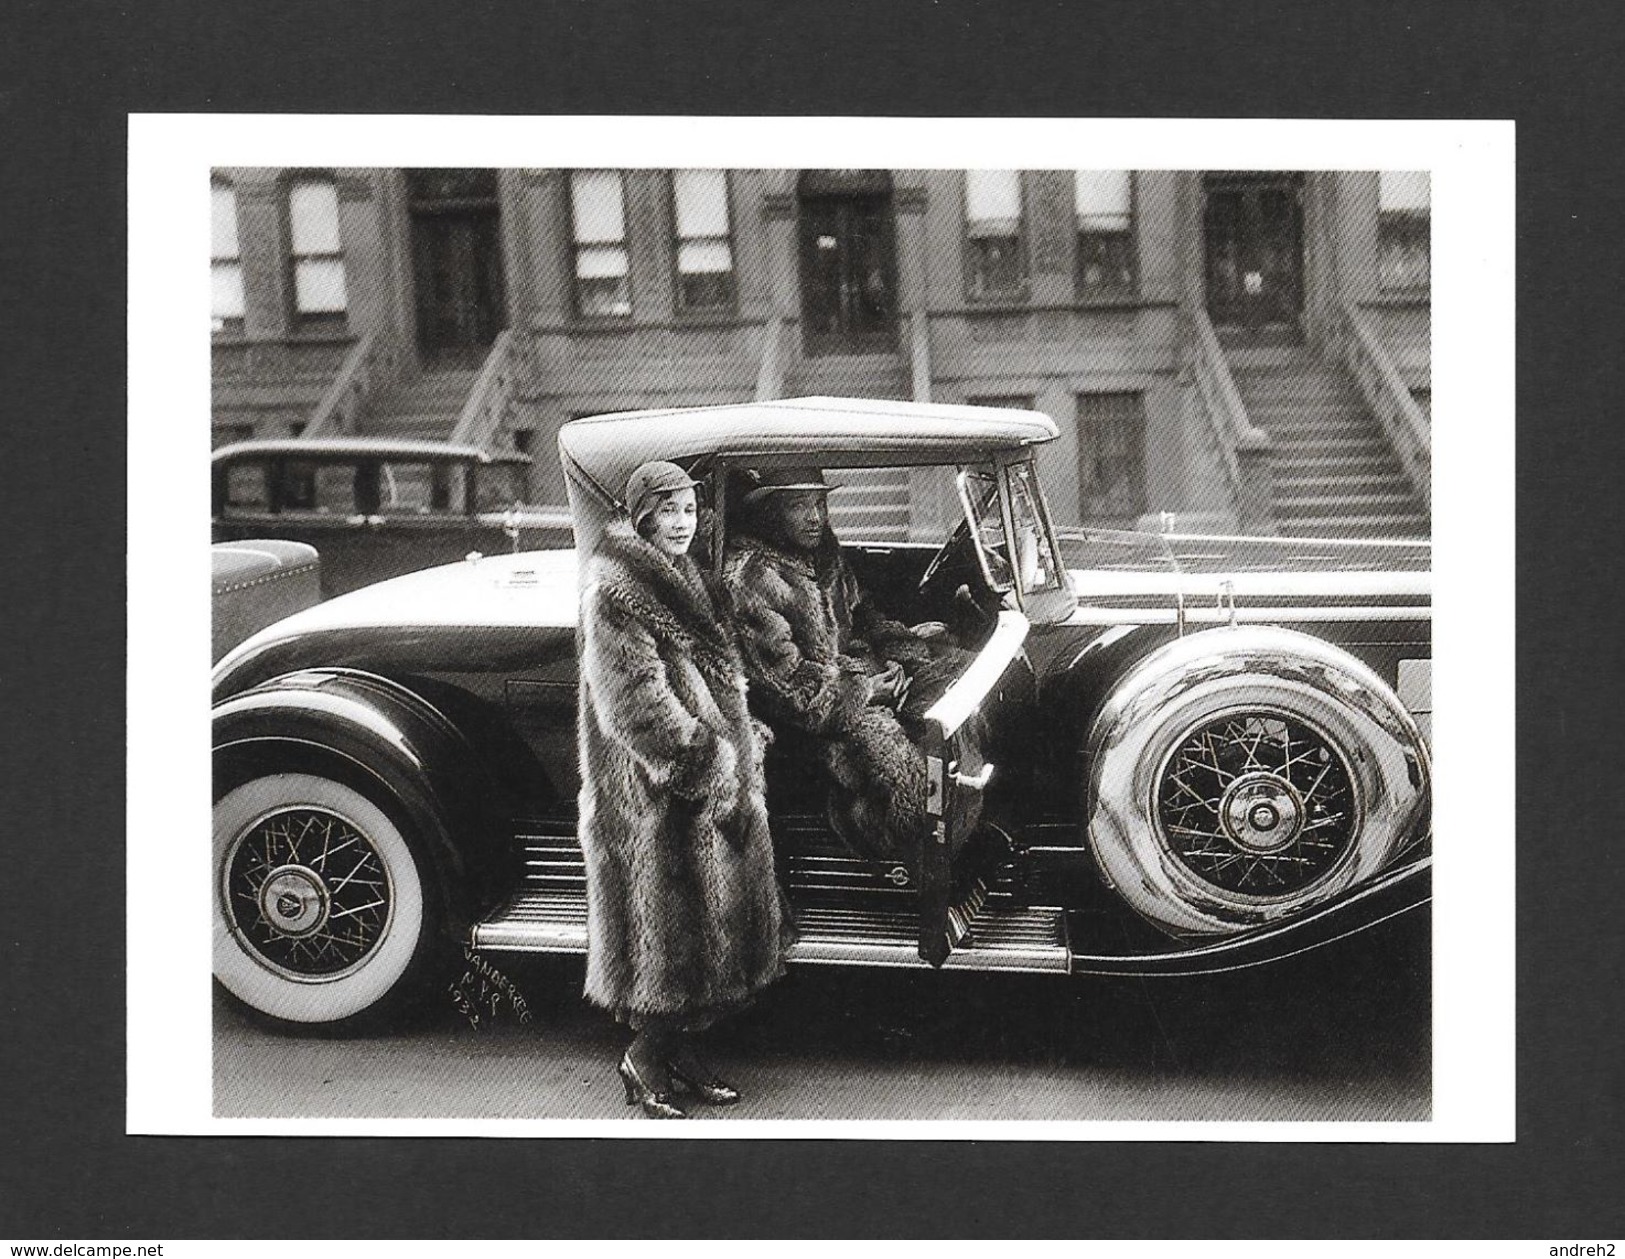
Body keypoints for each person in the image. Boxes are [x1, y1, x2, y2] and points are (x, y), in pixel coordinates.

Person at [577, 460, 791, 1119]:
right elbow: (635, 705)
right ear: (641, 515)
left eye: (689, 510)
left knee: (708, 937)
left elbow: (707, 675)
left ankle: (681, 1053)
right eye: (668, 511)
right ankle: (643, 1059)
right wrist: (712, 765)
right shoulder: (616, 585)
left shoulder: (686, 573)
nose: (681, 522)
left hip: (703, 779)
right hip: (655, 791)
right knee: (666, 940)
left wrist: (739, 729)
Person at [721, 467, 981, 861]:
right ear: (771, 511)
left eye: (820, 504)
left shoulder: (824, 555)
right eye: (799, 506)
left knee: (960, 676)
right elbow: (785, 686)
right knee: (902, 774)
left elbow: (864, 618)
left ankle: (969, 826)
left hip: (859, 678)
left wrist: (899, 660)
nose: (815, 517)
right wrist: (866, 689)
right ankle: (898, 856)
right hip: (808, 723)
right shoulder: (752, 576)